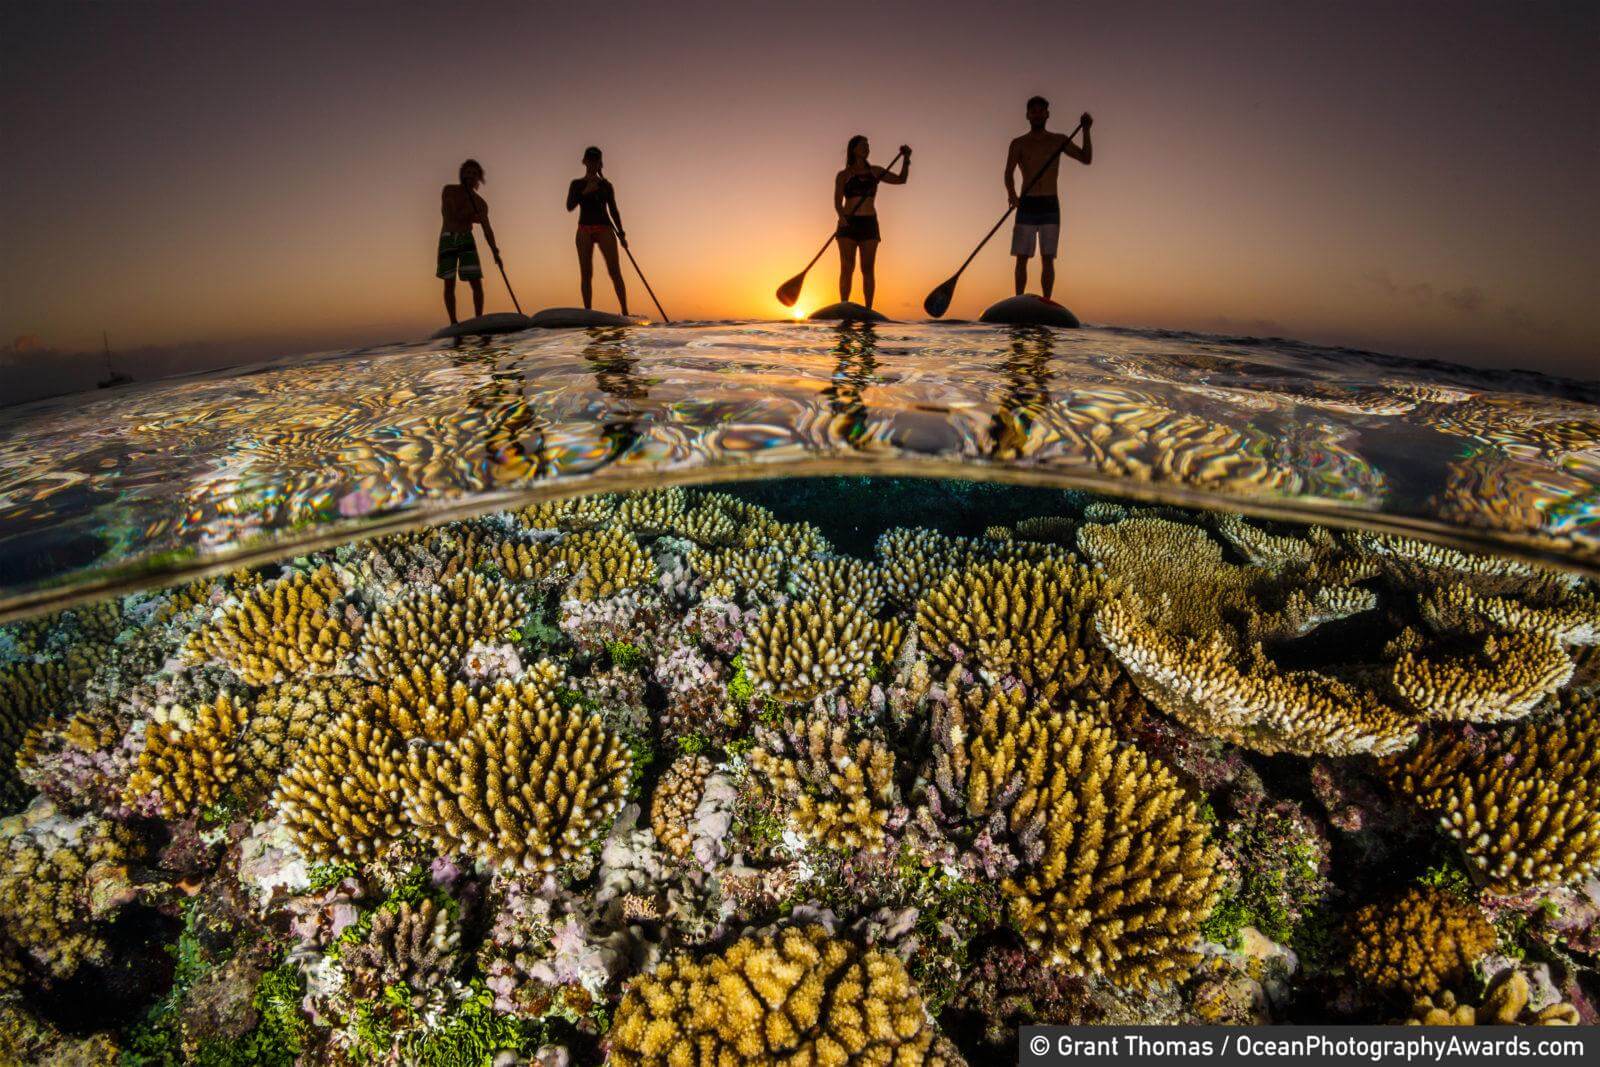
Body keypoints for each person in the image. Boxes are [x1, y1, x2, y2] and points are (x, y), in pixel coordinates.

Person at [1004, 97, 1092, 301]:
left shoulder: (1058, 140)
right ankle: (1018, 300)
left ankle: (1046, 301)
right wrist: (1012, 194)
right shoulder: (1018, 143)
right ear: (1027, 115)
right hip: (1027, 204)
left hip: (1050, 205)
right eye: (1033, 111)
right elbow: (1008, 172)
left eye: (1040, 111)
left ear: (1047, 114)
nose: (1037, 114)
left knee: (1047, 258)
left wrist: (1086, 130)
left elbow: (1086, 158)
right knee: (1021, 259)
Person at [834, 135, 911, 308]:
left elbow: (901, 180)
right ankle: (844, 306)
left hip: (869, 224)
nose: (867, 148)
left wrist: (906, 159)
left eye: (868, 146)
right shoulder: (843, 175)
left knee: (867, 269)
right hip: (848, 224)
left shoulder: (875, 172)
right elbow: (838, 203)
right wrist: (842, 218)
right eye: (863, 145)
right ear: (853, 149)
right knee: (847, 268)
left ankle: (868, 308)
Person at [437, 158, 501, 325]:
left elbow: (487, 229)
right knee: (449, 284)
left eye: (474, 174)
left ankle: (479, 319)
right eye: (468, 172)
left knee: (476, 283)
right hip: (448, 238)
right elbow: (452, 215)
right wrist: (471, 215)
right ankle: (453, 322)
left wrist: (495, 251)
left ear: (478, 178)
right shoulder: (449, 191)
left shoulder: (480, 203)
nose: (470, 176)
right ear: (462, 174)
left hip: (466, 238)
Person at [567, 147, 629, 315]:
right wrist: (584, 192)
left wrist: (622, 234)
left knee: (614, 271)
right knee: (586, 273)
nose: (593, 163)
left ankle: (625, 312)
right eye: (590, 159)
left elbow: (613, 210)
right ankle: (588, 313)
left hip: (605, 228)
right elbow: (569, 207)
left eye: (596, 160)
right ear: (584, 161)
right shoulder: (577, 184)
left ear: (599, 163)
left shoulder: (606, 185)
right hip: (583, 229)